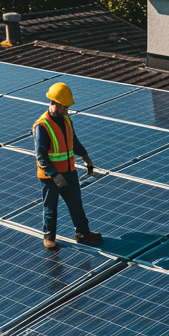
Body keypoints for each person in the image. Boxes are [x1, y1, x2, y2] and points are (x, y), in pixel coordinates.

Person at [34, 83, 103, 251]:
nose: (67, 110)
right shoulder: (43, 126)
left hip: (69, 171)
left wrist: (85, 157)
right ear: (54, 104)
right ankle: (49, 236)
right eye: (64, 106)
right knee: (51, 207)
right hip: (51, 176)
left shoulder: (66, 120)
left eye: (67, 107)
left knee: (76, 203)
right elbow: (41, 155)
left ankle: (83, 233)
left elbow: (73, 142)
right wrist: (54, 174)